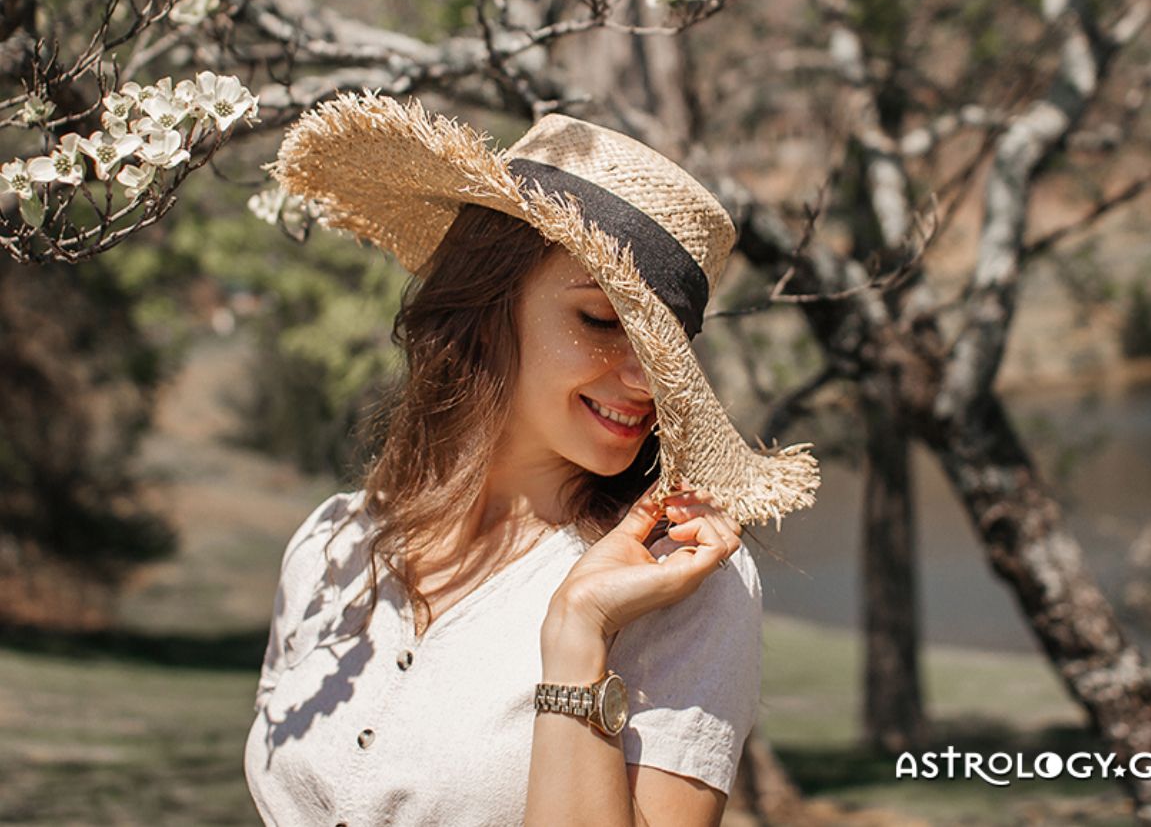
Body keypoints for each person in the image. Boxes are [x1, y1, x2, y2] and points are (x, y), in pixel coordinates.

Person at [243, 96, 821, 826]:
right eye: (601, 321)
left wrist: (579, 634)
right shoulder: (331, 547)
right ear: (487, 304)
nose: (646, 381)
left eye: (666, 347)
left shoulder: (682, 580)